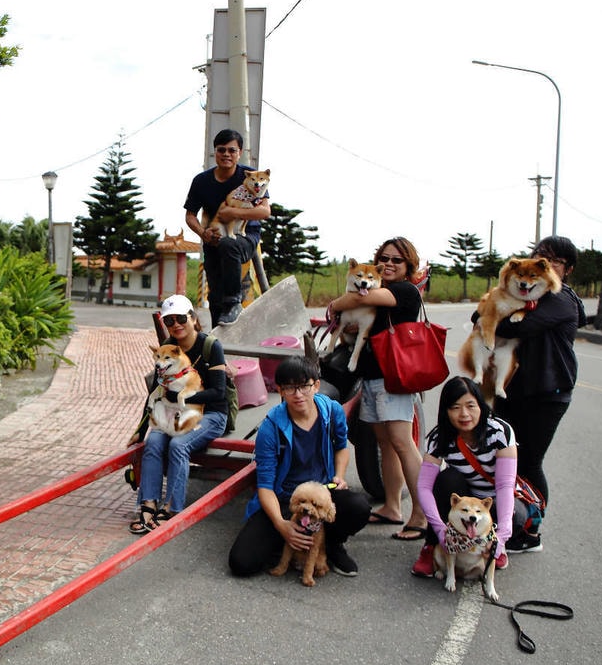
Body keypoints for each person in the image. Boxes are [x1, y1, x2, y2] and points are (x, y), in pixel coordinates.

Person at [486, 236, 587, 553]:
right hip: (513, 388)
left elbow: (517, 328)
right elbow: (484, 315)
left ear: (566, 269)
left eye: (553, 260)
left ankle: (531, 533)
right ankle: (507, 523)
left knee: (529, 461)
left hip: (548, 391)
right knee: (504, 459)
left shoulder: (560, 299)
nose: (544, 263)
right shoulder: (524, 293)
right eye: (539, 255)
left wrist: (494, 319)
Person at [228, 356, 370, 577]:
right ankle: (290, 541)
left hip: (321, 494)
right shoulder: (271, 428)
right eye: (290, 388)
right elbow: (265, 486)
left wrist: (339, 476)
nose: (298, 394)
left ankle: (331, 545)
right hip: (285, 499)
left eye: (304, 386)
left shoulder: (332, 412)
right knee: (241, 563)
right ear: (280, 391)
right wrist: (281, 525)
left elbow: (342, 447)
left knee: (359, 507)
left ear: (316, 385)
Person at [327, 237, 427, 541]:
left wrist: (335, 303)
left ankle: (422, 515)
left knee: (402, 442)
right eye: (384, 258)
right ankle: (392, 507)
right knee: (385, 443)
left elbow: (352, 301)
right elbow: (348, 311)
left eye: (397, 260)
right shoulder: (379, 290)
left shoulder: (404, 291)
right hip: (372, 376)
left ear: (409, 266)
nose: (388, 264)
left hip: (393, 378)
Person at [127, 294, 229, 533]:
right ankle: (148, 504)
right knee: (153, 441)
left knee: (178, 446)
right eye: (169, 321)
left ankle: (172, 507)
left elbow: (219, 393)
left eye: (180, 318)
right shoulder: (167, 349)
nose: (175, 325)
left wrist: (181, 397)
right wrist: (140, 431)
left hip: (211, 414)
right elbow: (154, 393)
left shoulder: (210, 346)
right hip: (175, 412)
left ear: (193, 318)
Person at [410, 376, 522, 577]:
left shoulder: (500, 432)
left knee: (517, 515)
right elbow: (424, 487)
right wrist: (439, 530)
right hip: (464, 501)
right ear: (445, 411)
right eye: (455, 407)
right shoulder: (438, 438)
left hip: (494, 503)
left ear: (481, 405)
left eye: (471, 406)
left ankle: (493, 544)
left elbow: (505, 486)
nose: (464, 414)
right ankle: (431, 547)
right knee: (446, 479)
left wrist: (502, 536)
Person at [183, 128, 272, 327]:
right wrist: (203, 234)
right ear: (215, 152)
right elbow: (190, 215)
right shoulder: (201, 181)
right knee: (215, 297)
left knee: (228, 245)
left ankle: (234, 301)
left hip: (245, 236)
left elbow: (265, 212)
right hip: (213, 237)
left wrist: (234, 213)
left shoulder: (251, 176)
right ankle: (218, 337)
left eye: (232, 150)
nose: (226, 154)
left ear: (239, 153)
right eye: (221, 150)